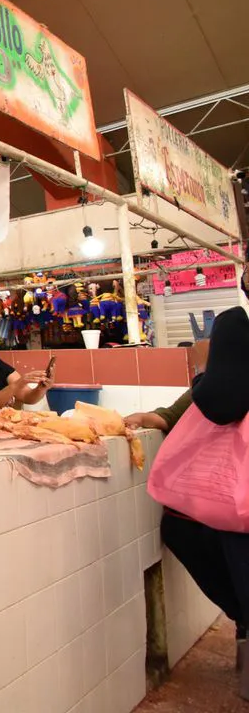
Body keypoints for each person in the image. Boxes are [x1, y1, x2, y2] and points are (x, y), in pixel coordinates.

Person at [141, 273, 249, 697]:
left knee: (185, 528)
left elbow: (221, 400)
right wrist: (167, 414)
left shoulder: (236, 325)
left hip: (239, 507)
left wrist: (207, 370)